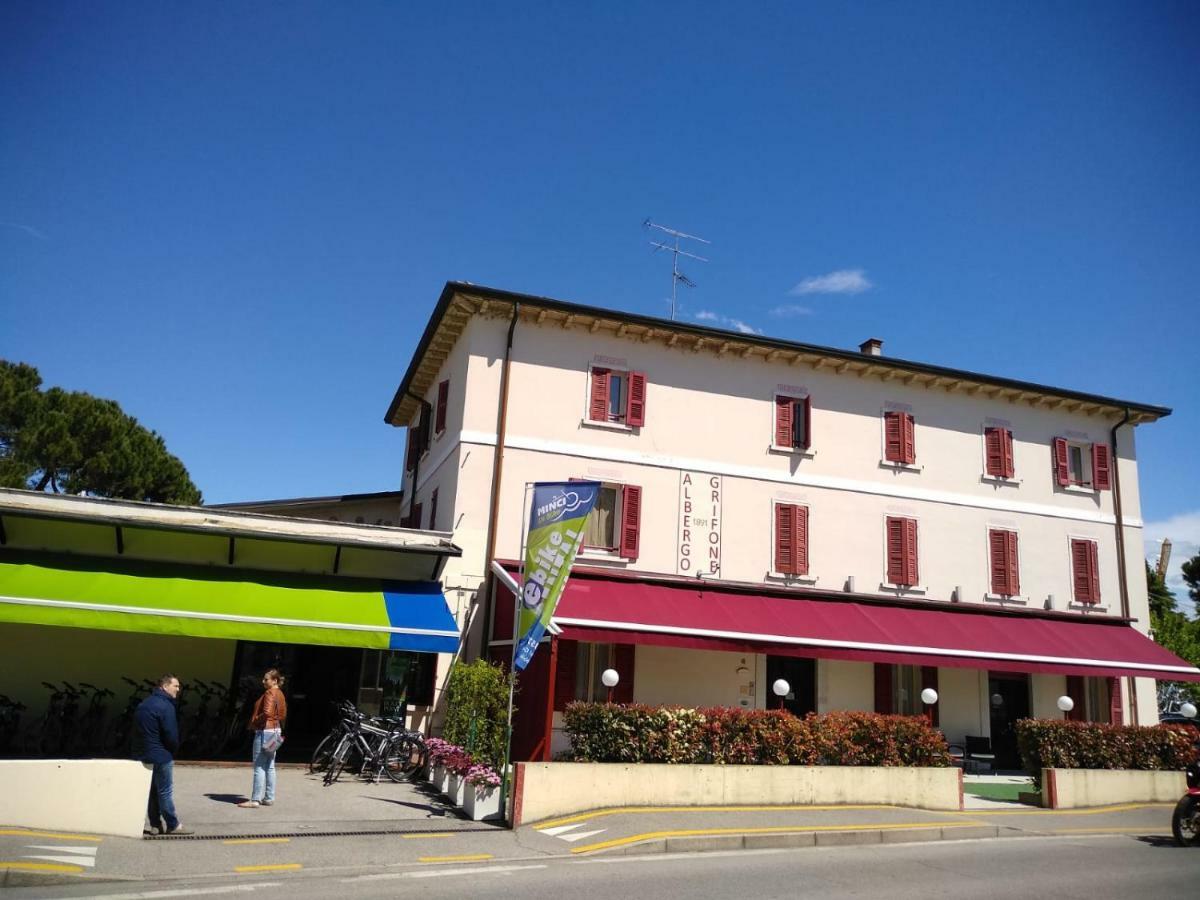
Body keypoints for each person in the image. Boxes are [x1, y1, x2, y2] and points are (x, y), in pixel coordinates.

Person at [133, 673, 192, 835]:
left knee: (152, 791)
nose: (178, 690)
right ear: (165, 687)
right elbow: (170, 734)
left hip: (145, 754)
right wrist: (173, 750)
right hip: (161, 754)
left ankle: (155, 824)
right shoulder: (166, 706)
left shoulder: (143, 704)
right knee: (164, 791)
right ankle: (173, 825)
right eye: (176, 686)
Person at [238, 669, 287, 809]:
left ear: (275, 681)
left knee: (259, 766)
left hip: (265, 731)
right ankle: (269, 797)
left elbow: (266, 712)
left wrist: (255, 721)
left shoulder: (270, 693)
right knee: (270, 766)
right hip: (276, 731)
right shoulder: (281, 694)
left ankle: (255, 800)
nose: (263, 681)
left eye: (266, 679)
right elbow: (282, 715)